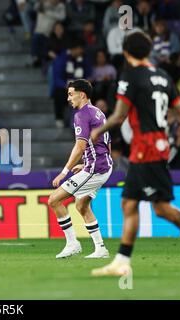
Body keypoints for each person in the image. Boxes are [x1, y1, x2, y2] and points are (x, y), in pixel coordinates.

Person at [90, 31, 180, 277]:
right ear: (148, 51)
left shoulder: (130, 75)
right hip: (156, 147)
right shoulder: (163, 77)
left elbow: (119, 116)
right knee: (129, 203)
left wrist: (97, 131)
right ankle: (122, 262)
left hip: (146, 150)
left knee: (161, 209)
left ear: (126, 53)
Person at [48, 79, 112, 259]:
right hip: (103, 165)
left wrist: (64, 171)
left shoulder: (82, 114)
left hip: (95, 168)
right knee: (81, 205)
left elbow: (80, 146)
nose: (68, 98)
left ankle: (72, 243)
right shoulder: (98, 112)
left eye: (70, 94)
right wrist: (86, 163)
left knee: (54, 200)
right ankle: (100, 248)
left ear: (81, 94)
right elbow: (104, 143)